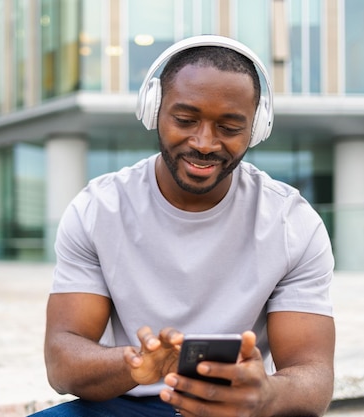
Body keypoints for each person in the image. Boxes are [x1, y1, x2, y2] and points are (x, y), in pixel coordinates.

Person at [31, 35, 335, 417]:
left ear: (257, 128)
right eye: (186, 120)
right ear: (153, 110)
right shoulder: (98, 209)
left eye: (229, 126)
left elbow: (315, 378)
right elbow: (62, 362)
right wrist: (136, 364)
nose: (205, 142)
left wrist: (265, 395)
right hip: (125, 401)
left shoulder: (293, 223)